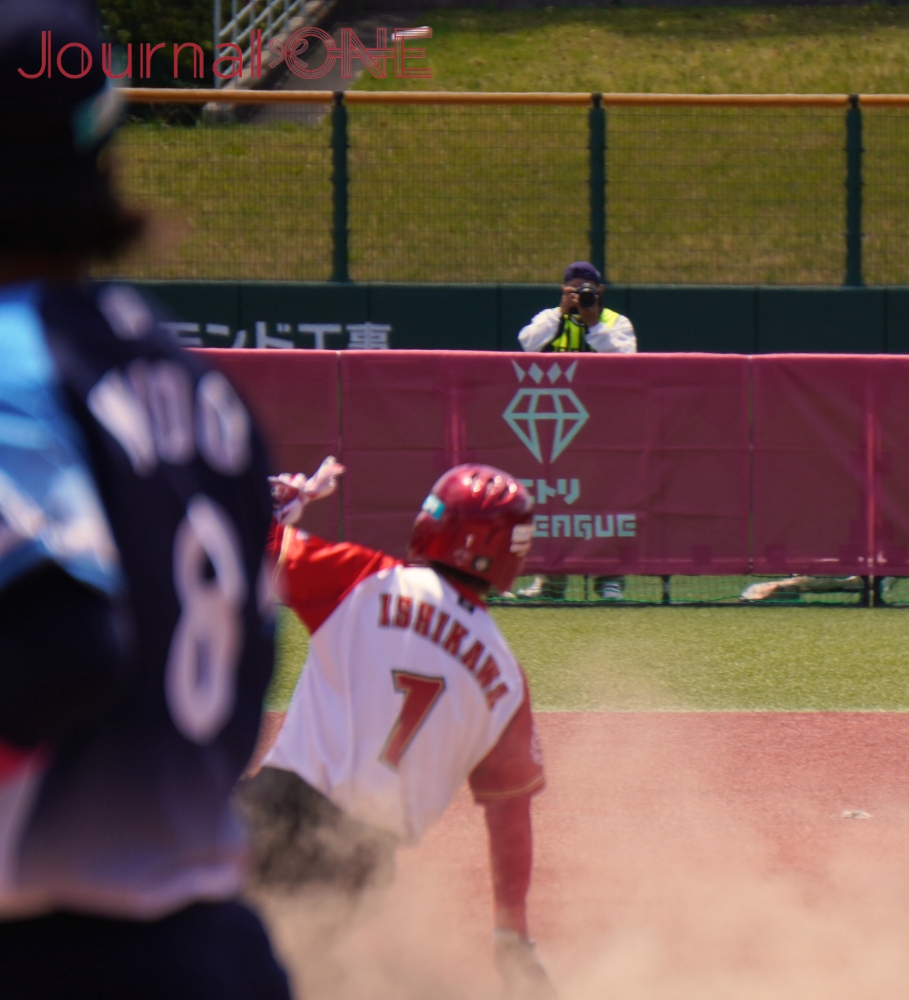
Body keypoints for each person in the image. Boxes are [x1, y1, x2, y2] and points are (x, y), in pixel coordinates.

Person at [0, 3, 289, 996]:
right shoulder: (201, 387)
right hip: (212, 949)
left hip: (47, 954)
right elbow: (251, 658)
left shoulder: (10, 363)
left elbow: (58, 646)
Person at [236, 460, 556, 999]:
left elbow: (254, 553)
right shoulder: (505, 677)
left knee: (178, 934)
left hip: (277, 808)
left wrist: (279, 504)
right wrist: (511, 934)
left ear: (435, 525)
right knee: (290, 969)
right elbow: (511, 816)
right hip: (363, 859)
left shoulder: (367, 579)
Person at [517, 261, 634, 601]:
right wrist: (561, 314)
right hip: (557, 430)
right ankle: (551, 581)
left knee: (606, 504)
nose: (582, 294)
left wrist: (593, 321)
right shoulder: (548, 318)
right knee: (553, 503)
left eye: (588, 289)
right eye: (575, 288)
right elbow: (526, 345)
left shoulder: (615, 322)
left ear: (600, 292)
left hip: (603, 429)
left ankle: (609, 579)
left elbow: (627, 356)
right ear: (563, 290)